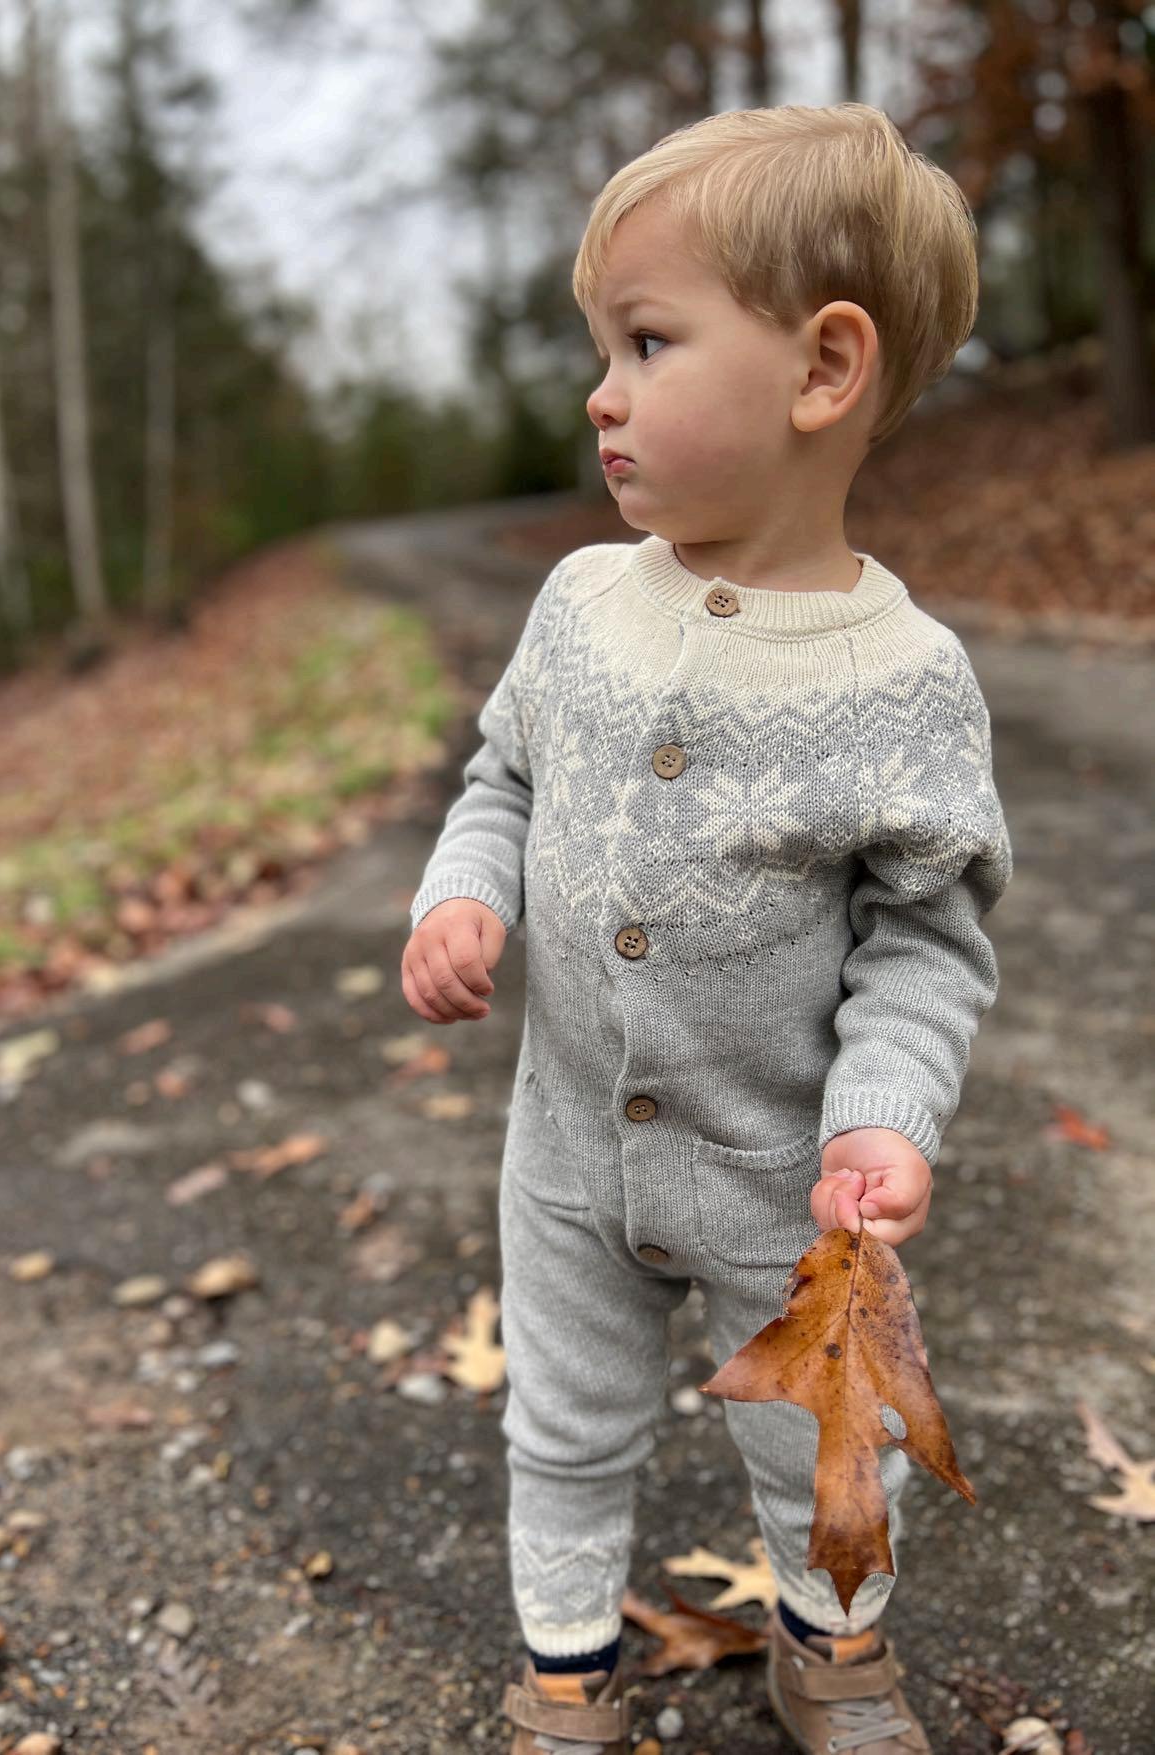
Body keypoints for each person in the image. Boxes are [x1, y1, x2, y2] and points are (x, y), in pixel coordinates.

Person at [400, 101, 1012, 1755]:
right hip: (565, 1157)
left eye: (649, 342)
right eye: (602, 348)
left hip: (781, 1183)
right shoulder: (581, 607)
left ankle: (833, 1647)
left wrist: (885, 1115)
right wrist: (463, 890)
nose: (602, 393)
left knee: (827, 1438)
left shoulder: (903, 683)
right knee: (564, 1425)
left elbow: (926, 940)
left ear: (825, 370)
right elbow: (504, 779)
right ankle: (566, 1675)